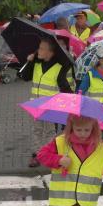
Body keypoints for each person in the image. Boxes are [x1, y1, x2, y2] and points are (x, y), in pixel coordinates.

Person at [18, 37, 74, 167]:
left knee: (49, 131)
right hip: (36, 104)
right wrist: (29, 62)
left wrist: (72, 98)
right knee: (37, 130)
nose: (39, 51)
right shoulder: (36, 63)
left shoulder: (59, 67)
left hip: (51, 106)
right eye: (39, 48)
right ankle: (36, 155)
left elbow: (63, 85)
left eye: (42, 48)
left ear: (51, 52)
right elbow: (25, 77)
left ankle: (48, 154)